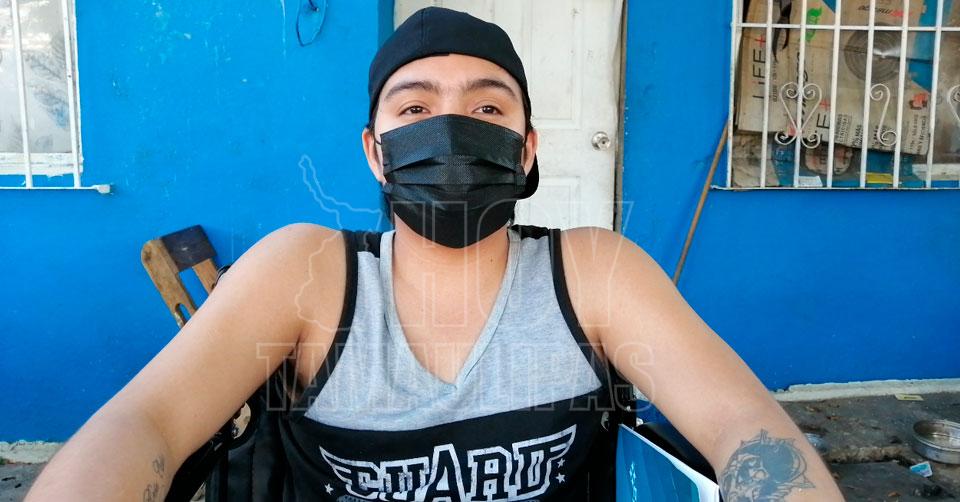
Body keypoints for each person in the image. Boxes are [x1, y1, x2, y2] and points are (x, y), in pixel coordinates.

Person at [26, 7, 844, 501]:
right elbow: (146, 422)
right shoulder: (306, 274)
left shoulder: (596, 274)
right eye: (415, 108)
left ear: (526, 150)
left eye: (487, 109)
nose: (451, 130)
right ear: (375, 152)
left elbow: (743, 426)